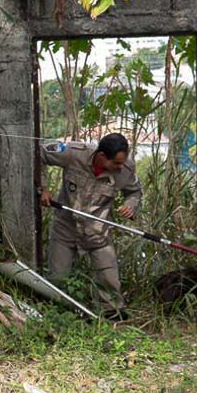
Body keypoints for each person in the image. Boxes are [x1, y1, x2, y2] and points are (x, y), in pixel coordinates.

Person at [39, 132, 142, 319]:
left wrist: (130, 205)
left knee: (110, 282)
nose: (120, 167)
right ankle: (60, 314)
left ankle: (111, 315)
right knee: (57, 280)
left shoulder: (126, 168)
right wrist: (43, 188)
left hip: (98, 232)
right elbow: (39, 154)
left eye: (123, 162)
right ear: (102, 156)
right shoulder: (74, 153)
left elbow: (134, 191)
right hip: (65, 228)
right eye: (116, 163)